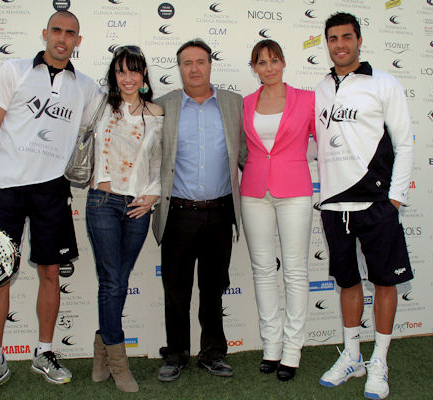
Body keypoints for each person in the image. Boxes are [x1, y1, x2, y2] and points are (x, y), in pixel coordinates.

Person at [0, 11, 101, 400]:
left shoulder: (87, 88)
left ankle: (44, 351)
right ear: (45, 34)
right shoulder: (15, 70)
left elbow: (99, 134)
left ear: (78, 40)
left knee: (51, 273)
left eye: (71, 33)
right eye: (57, 30)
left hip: (52, 191)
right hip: (4, 189)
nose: (62, 38)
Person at [315, 12, 413, 400]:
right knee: (347, 281)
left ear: (359, 39)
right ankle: (353, 356)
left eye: (347, 37)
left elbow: (404, 144)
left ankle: (380, 361)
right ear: (326, 43)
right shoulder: (321, 88)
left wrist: (394, 199)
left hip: (377, 203)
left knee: (384, 281)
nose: (340, 44)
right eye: (333, 38)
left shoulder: (384, 83)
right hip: (334, 204)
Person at [152, 38, 243, 382]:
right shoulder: (163, 106)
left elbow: (248, 154)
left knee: (213, 287)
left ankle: (213, 353)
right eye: (187, 62)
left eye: (200, 61)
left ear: (210, 65)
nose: (194, 68)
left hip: (220, 213)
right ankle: (176, 354)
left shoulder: (234, 104)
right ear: (179, 68)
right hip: (178, 213)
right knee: (176, 289)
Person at [87, 45, 162, 393]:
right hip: (102, 201)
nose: (127, 77)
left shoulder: (157, 113)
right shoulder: (100, 106)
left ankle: (101, 349)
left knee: (115, 279)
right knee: (113, 282)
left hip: (137, 208)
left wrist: (153, 196)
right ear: (113, 75)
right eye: (121, 71)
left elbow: (160, 163)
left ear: (143, 74)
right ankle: (119, 363)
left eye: (134, 70)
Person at [240, 39, 314, 382]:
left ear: (283, 62)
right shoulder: (246, 104)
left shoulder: (307, 99)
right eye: (261, 62)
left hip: (295, 191)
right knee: (262, 269)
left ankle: (292, 349)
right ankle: (271, 346)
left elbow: (326, 145)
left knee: (295, 270)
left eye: (273, 60)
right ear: (253, 68)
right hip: (254, 191)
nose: (268, 67)